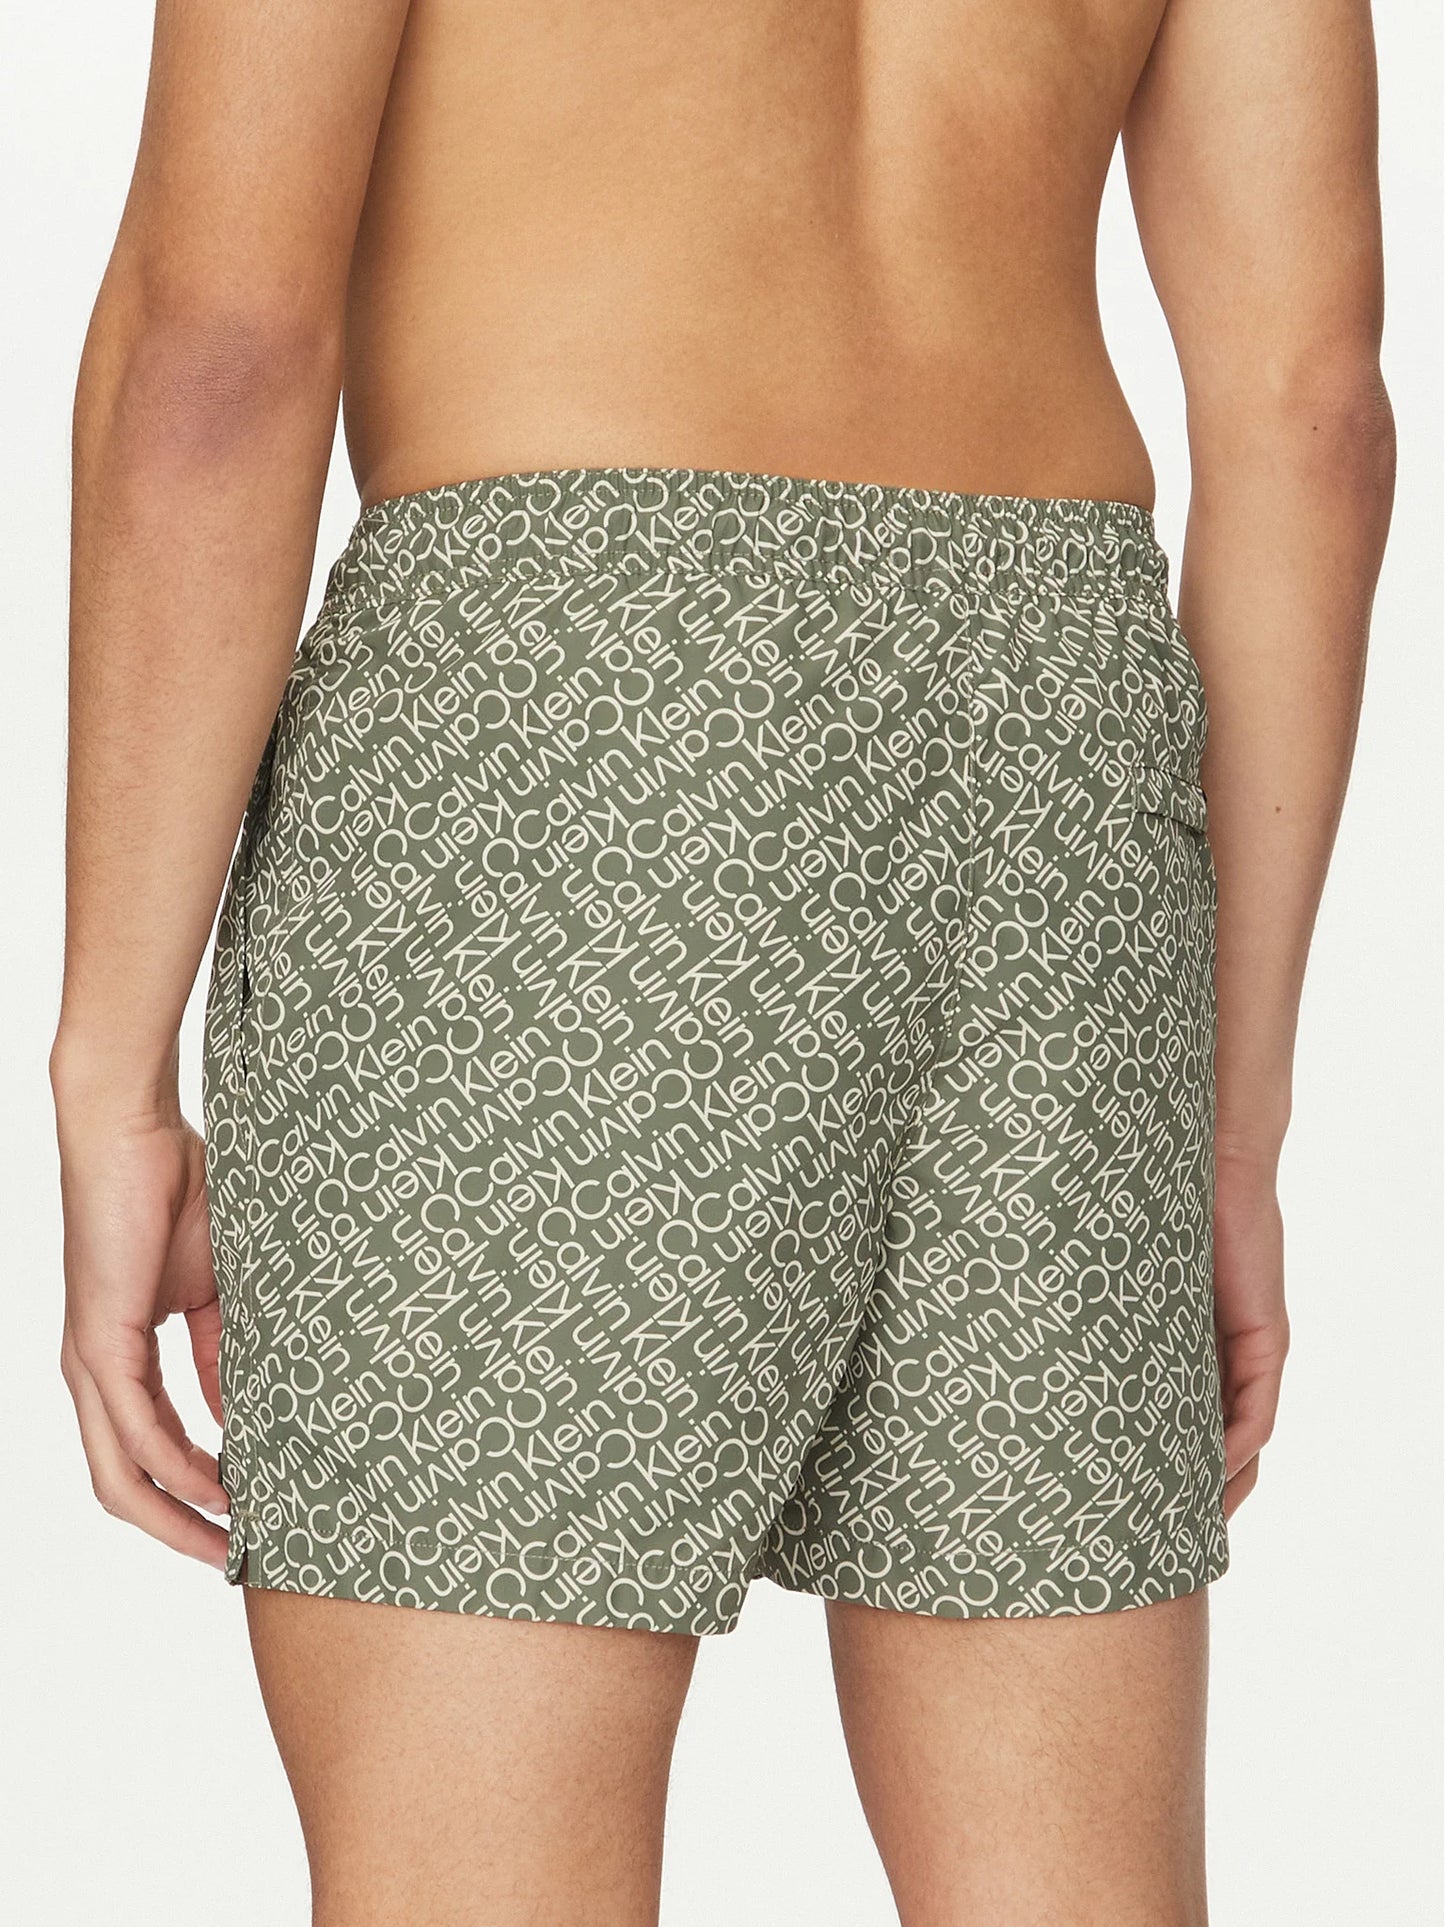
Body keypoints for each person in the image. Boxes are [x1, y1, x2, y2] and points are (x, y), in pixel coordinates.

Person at [50, 1, 1393, 1921]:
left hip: (570, 730)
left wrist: (111, 1070)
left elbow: (220, 352)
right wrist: (1227, 1120)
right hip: (1056, 754)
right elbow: (1311, 412)